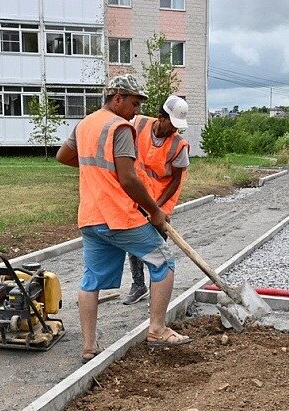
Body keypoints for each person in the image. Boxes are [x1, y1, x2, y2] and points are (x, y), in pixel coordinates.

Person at [55, 75, 192, 362]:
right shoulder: (120, 127)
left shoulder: (86, 124)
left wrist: (97, 175)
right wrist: (155, 211)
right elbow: (129, 179)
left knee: (91, 280)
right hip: (118, 215)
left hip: (91, 216)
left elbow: (64, 156)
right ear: (117, 97)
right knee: (163, 262)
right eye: (133, 102)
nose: (135, 109)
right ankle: (157, 329)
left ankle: (89, 347)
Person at [123, 95, 191, 305]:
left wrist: (157, 208)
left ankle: (157, 289)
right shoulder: (139, 123)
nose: (174, 130)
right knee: (133, 240)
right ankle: (138, 285)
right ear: (161, 117)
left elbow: (176, 181)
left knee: (157, 246)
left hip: (161, 198)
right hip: (136, 194)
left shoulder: (179, 145)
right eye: (172, 124)